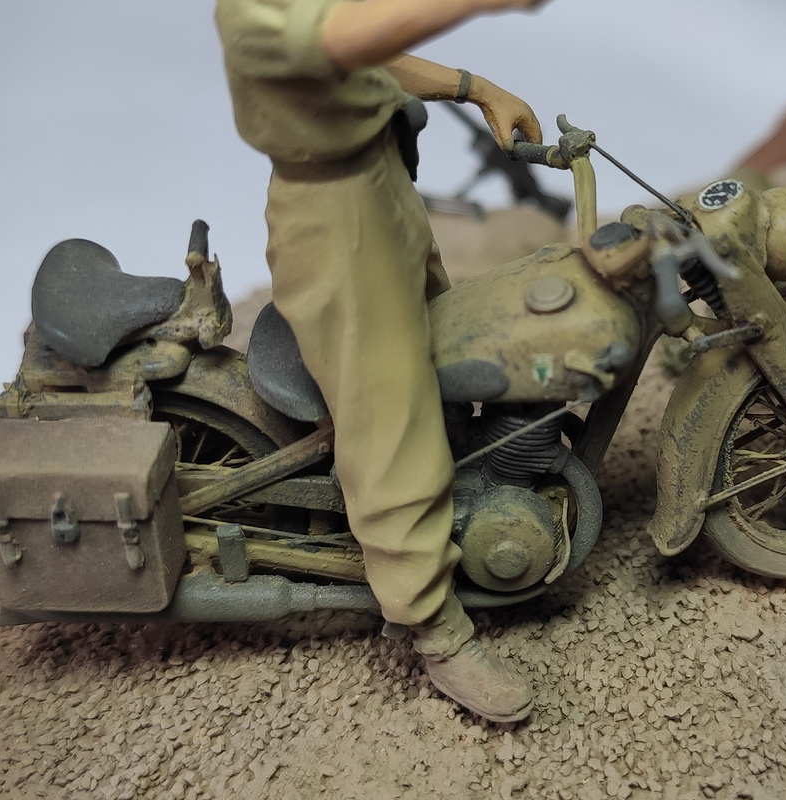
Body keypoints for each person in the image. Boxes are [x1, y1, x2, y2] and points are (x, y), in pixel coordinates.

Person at [214, 0, 550, 722]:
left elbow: (370, 58)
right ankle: (436, 628)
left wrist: (474, 88)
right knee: (390, 422)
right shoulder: (255, 14)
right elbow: (346, 38)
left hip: (382, 185)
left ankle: (473, 477)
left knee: (449, 345)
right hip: (335, 217)